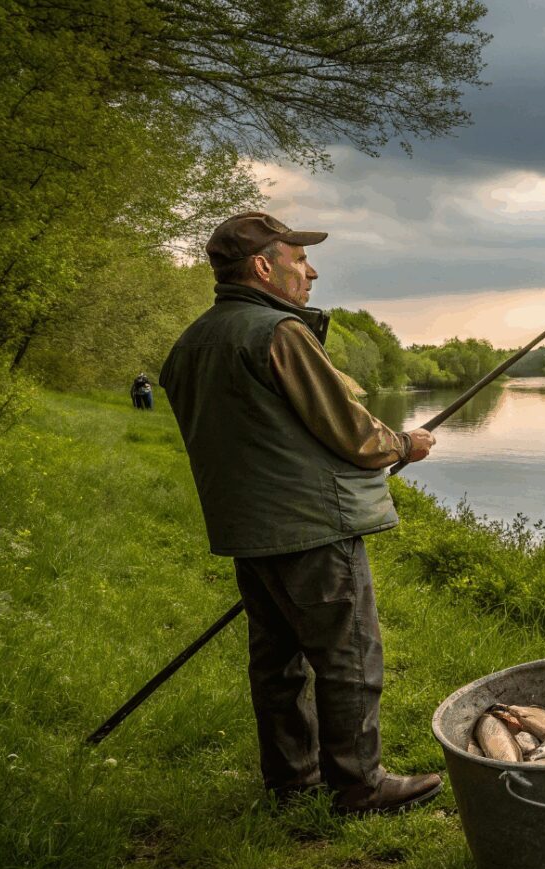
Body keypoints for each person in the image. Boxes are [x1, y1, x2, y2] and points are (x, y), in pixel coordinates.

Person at [159, 211, 442, 815]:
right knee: (349, 659)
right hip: (312, 527)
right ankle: (360, 785)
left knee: (277, 664)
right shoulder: (280, 332)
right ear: (263, 267)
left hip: (248, 529)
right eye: (299, 260)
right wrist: (403, 444)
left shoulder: (191, 343)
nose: (310, 272)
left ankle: (291, 781)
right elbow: (351, 431)